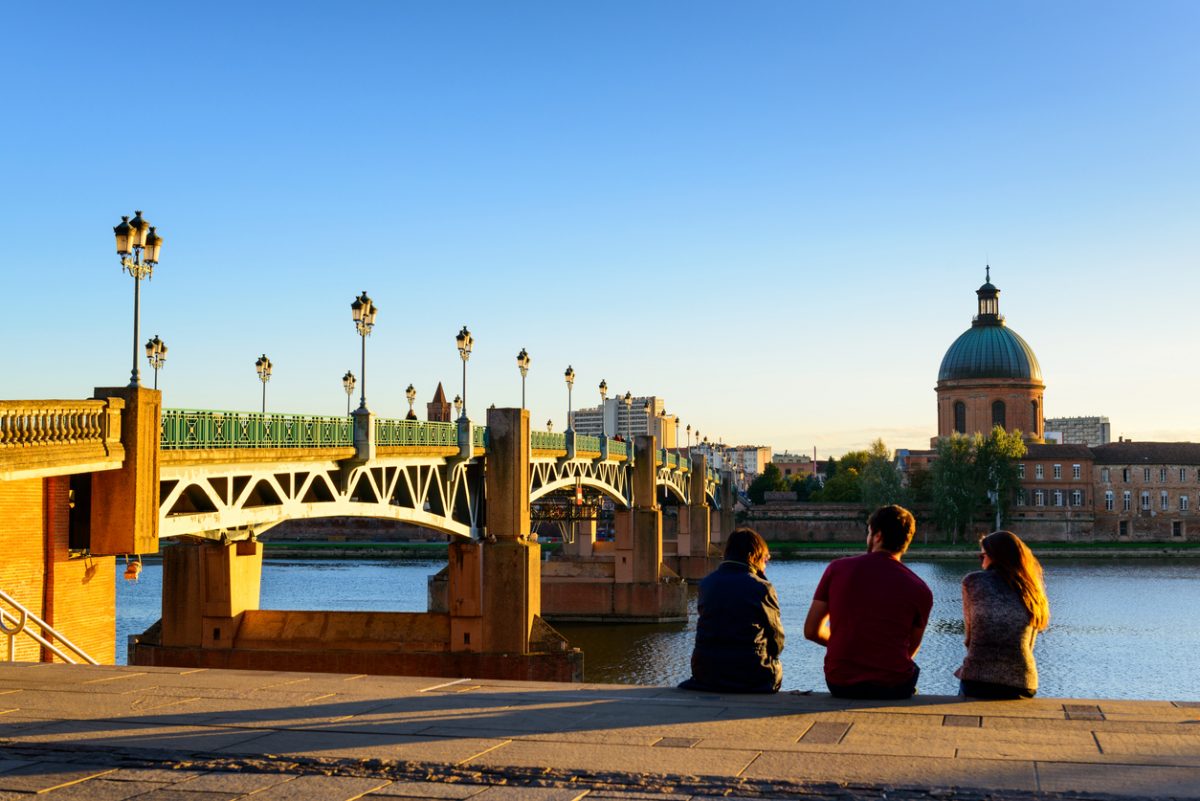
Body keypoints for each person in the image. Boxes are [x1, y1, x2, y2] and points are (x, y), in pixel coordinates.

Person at [803, 504, 932, 699]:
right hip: (893, 685)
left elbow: (811, 630)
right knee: (910, 672)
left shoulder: (838, 569)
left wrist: (844, 643)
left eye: (869, 532)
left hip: (840, 682)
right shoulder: (921, 589)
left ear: (877, 536)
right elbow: (909, 650)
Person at [679, 527, 785, 693]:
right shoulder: (762, 588)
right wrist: (761, 578)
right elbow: (777, 640)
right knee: (775, 667)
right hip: (751, 674)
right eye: (766, 559)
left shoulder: (706, 583)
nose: (766, 565)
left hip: (706, 673)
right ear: (754, 556)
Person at [956, 530, 1050, 699]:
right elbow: (1029, 644)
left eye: (982, 556)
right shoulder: (1033, 590)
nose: (981, 562)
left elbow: (970, 638)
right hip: (1023, 681)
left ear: (995, 557)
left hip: (978, 680)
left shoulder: (972, 582)